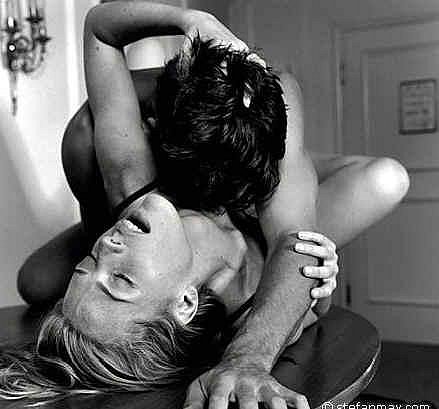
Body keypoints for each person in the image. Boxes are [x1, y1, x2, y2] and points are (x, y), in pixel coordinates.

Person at [9, 3, 410, 408]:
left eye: (88, 263)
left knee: (36, 280)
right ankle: (287, 160)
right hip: (246, 200)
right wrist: (252, 355)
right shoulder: (252, 294)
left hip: (170, 182)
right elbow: (305, 279)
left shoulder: (132, 184)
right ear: (185, 303)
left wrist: (194, 21)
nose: (105, 247)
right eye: (121, 280)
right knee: (384, 179)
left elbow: (99, 27)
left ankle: (280, 157)